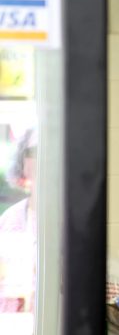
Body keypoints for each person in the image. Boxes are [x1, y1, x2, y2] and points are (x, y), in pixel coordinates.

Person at [0, 127, 37, 313]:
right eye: (34, 151)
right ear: (22, 162)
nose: (42, 158)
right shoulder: (10, 219)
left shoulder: (76, 217)